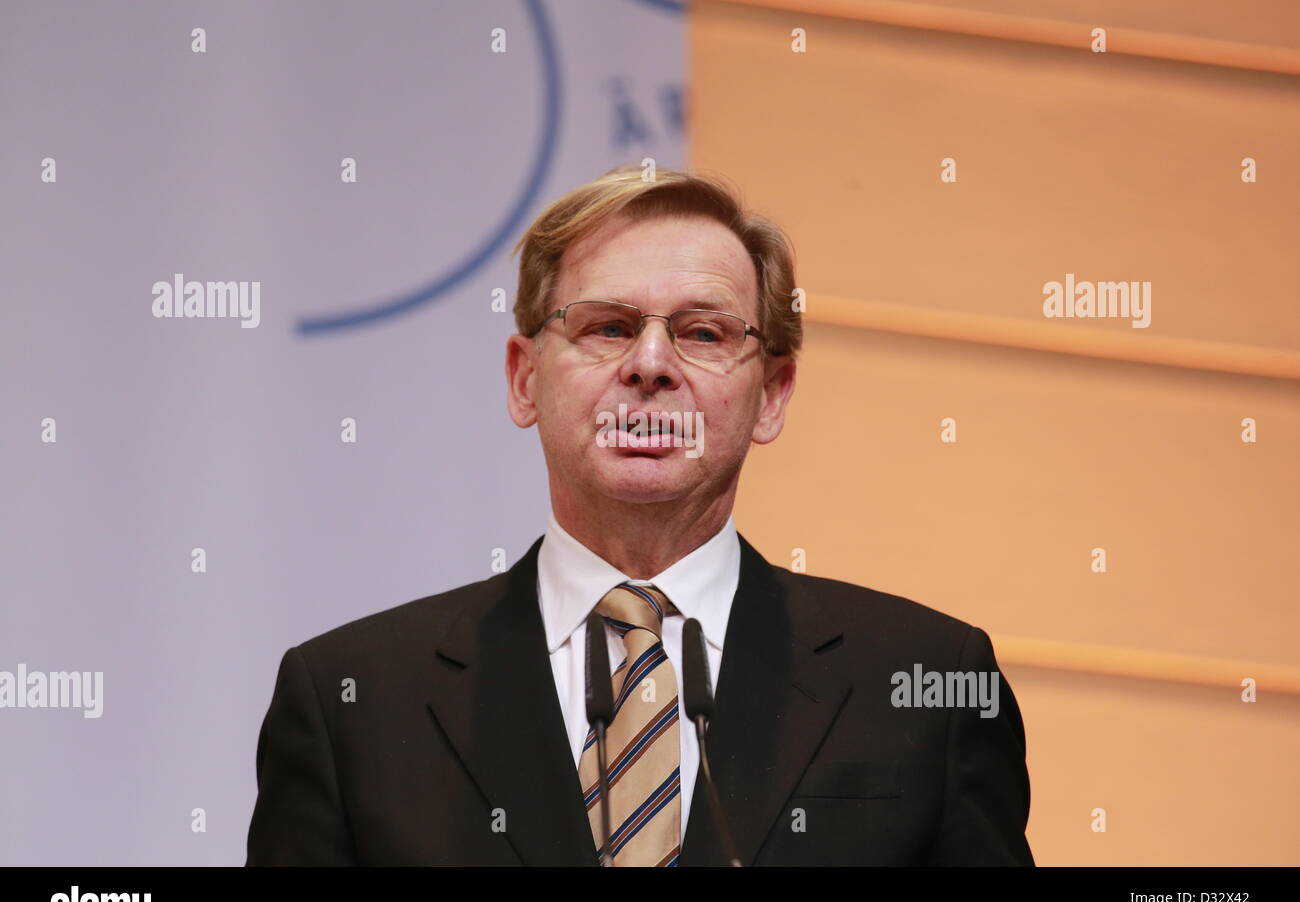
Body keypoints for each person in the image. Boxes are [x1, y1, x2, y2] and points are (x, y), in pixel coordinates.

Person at [245, 165, 1033, 866]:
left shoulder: (930, 683)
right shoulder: (350, 700)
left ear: (773, 394)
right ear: (524, 380)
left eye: (702, 332)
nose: (650, 365)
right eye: (608, 327)